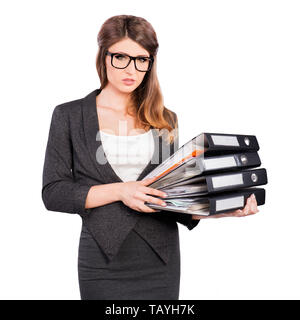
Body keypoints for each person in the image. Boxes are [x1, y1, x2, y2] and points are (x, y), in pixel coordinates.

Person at [41, 14, 259, 300]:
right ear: (103, 56)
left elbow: (170, 195)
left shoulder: (164, 119)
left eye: (141, 59)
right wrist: (121, 191)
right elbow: (54, 193)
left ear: (150, 63)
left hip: (160, 258)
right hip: (102, 260)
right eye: (121, 57)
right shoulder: (69, 116)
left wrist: (215, 209)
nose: (131, 69)